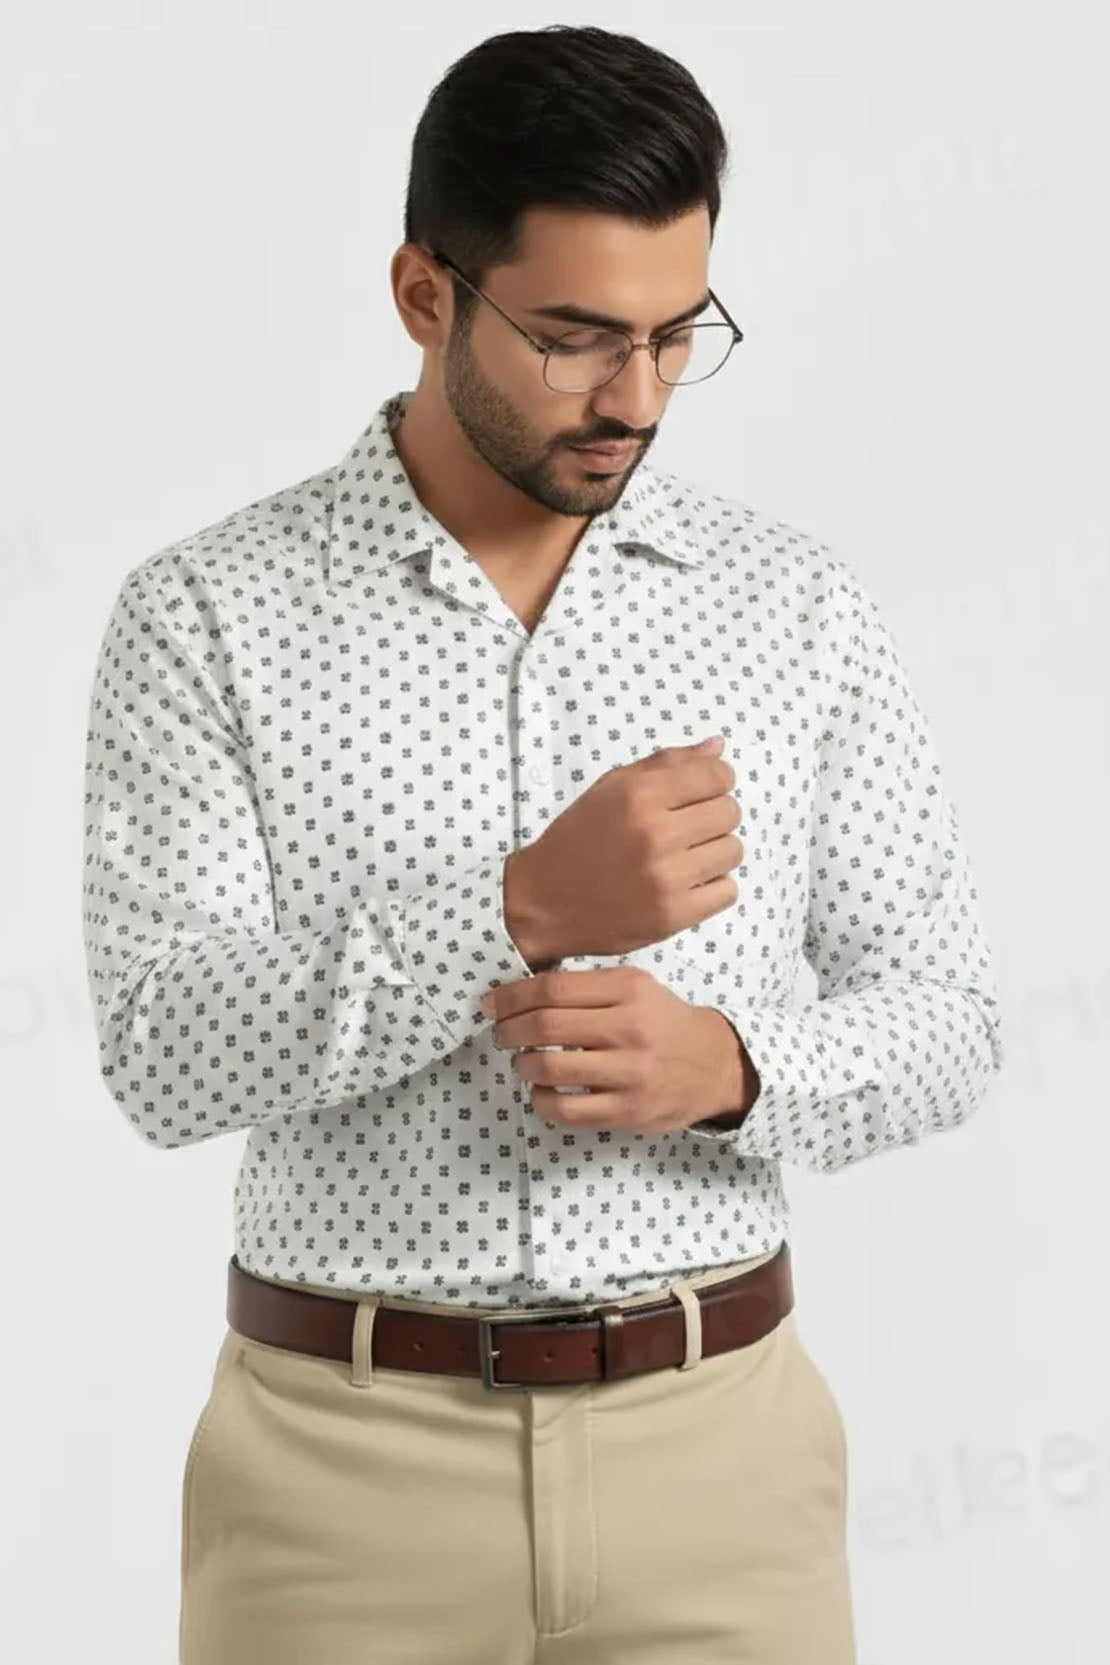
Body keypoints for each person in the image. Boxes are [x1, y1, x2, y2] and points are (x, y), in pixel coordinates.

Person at [80, 24, 1004, 1665]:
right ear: (424, 295)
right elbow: (161, 1052)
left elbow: (951, 1021)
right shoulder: (210, 614)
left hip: (722, 1471)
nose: (633, 397)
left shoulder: (791, 609)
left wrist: (734, 1065)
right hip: (334, 1485)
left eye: (674, 334)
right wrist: (512, 908)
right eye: (574, 338)